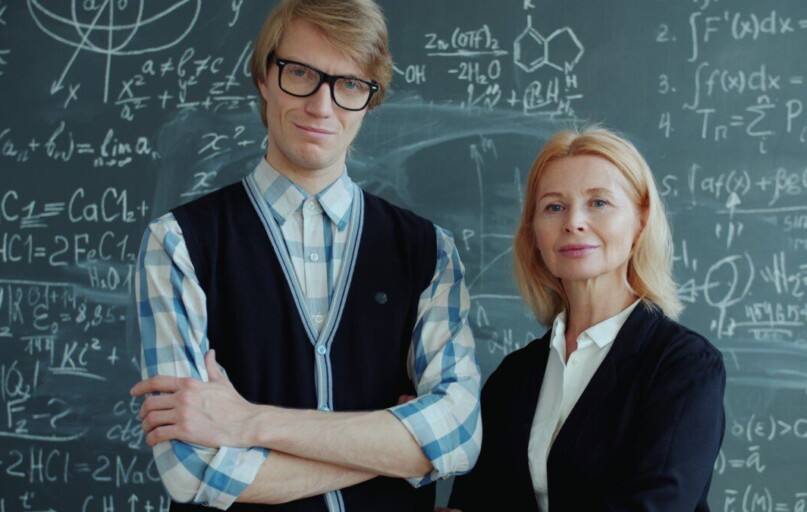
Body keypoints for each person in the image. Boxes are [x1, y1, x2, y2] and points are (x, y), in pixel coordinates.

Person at [130, 1, 481, 510]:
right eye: (300, 73)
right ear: (264, 78)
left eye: (349, 84)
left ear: (370, 99)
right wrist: (399, 450)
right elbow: (193, 471)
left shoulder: (429, 252)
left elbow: (460, 436)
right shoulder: (178, 244)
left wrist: (249, 422)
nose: (322, 105)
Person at [446, 127, 726, 511]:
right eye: (554, 207)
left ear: (640, 222)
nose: (574, 222)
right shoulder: (512, 378)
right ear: (535, 233)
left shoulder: (683, 366)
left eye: (599, 203)